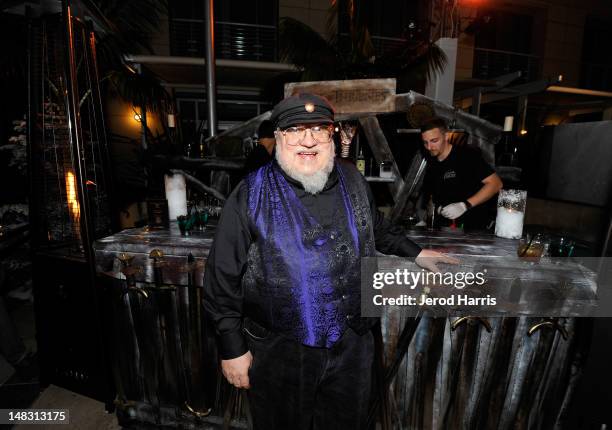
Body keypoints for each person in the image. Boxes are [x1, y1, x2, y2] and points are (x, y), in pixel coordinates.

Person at [203, 93, 455, 429]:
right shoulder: (251, 193)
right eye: (294, 130)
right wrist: (232, 347)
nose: (307, 140)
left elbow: (376, 226)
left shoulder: (352, 178)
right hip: (282, 349)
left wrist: (417, 252)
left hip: (353, 343)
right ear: (278, 137)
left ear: (332, 134)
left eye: (318, 129)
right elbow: (221, 275)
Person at [421, 117, 503, 230]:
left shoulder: (467, 156)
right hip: (445, 231)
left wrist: (465, 205)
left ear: (446, 136)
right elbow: (431, 196)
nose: (429, 147)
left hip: (472, 230)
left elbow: (495, 184)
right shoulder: (431, 163)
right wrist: (439, 209)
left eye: (434, 141)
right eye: (426, 143)